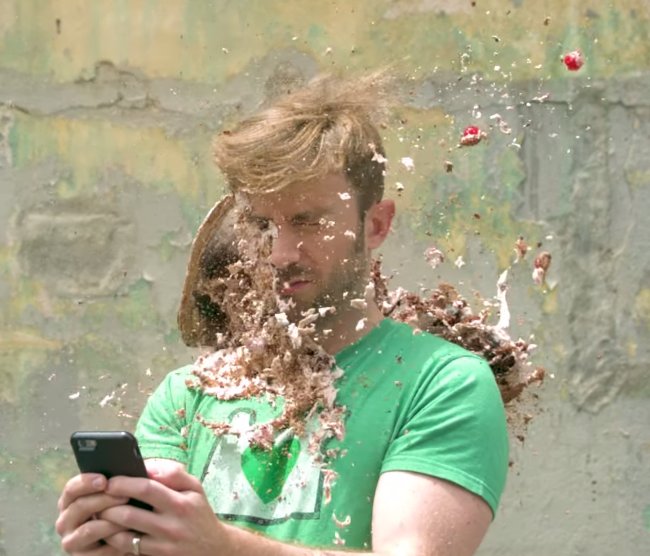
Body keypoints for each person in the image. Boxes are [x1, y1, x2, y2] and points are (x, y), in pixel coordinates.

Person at [55, 72, 509, 556]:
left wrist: (223, 547)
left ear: (376, 225)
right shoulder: (186, 397)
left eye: (308, 222)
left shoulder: (441, 383)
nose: (279, 253)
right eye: (261, 224)